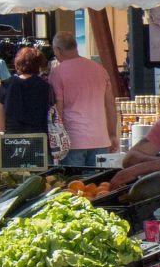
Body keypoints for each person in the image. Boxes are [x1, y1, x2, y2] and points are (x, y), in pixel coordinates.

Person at [48, 30, 117, 167]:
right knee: (99, 186)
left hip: (73, 140)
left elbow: (58, 109)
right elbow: (110, 105)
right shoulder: (99, 69)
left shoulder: (57, 73)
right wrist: (113, 134)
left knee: (74, 184)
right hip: (100, 138)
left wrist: (57, 141)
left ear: (57, 50)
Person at [0, 45, 55, 137]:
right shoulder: (45, 87)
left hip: (12, 141)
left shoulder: (5, 86)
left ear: (17, 63)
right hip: (39, 140)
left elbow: (0, 125)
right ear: (39, 65)